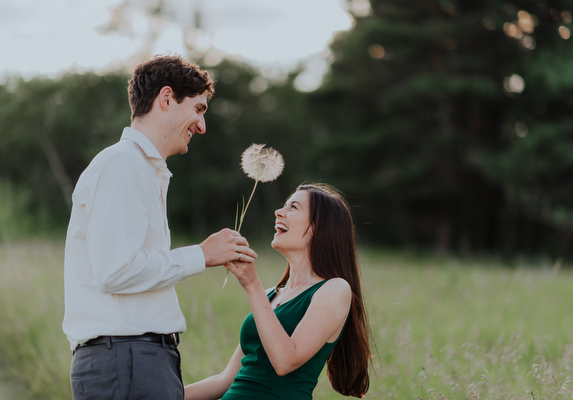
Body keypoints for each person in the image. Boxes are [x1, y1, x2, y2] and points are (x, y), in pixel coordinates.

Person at [63, 54, 257, 400]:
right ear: (166, 99)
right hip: (127, 360)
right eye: (198, 109)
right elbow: (115, 271)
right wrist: (201, 255)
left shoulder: (138, 168)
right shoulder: (124, 164)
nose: (202, 125)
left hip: (133, 360)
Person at [185, 183, 373, 399]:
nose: (278, 212)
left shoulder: (334, 289)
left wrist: (252, 285)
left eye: (293, 207)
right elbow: (226, 380)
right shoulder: (270, 295)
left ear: (317, 227)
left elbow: (285, 362)